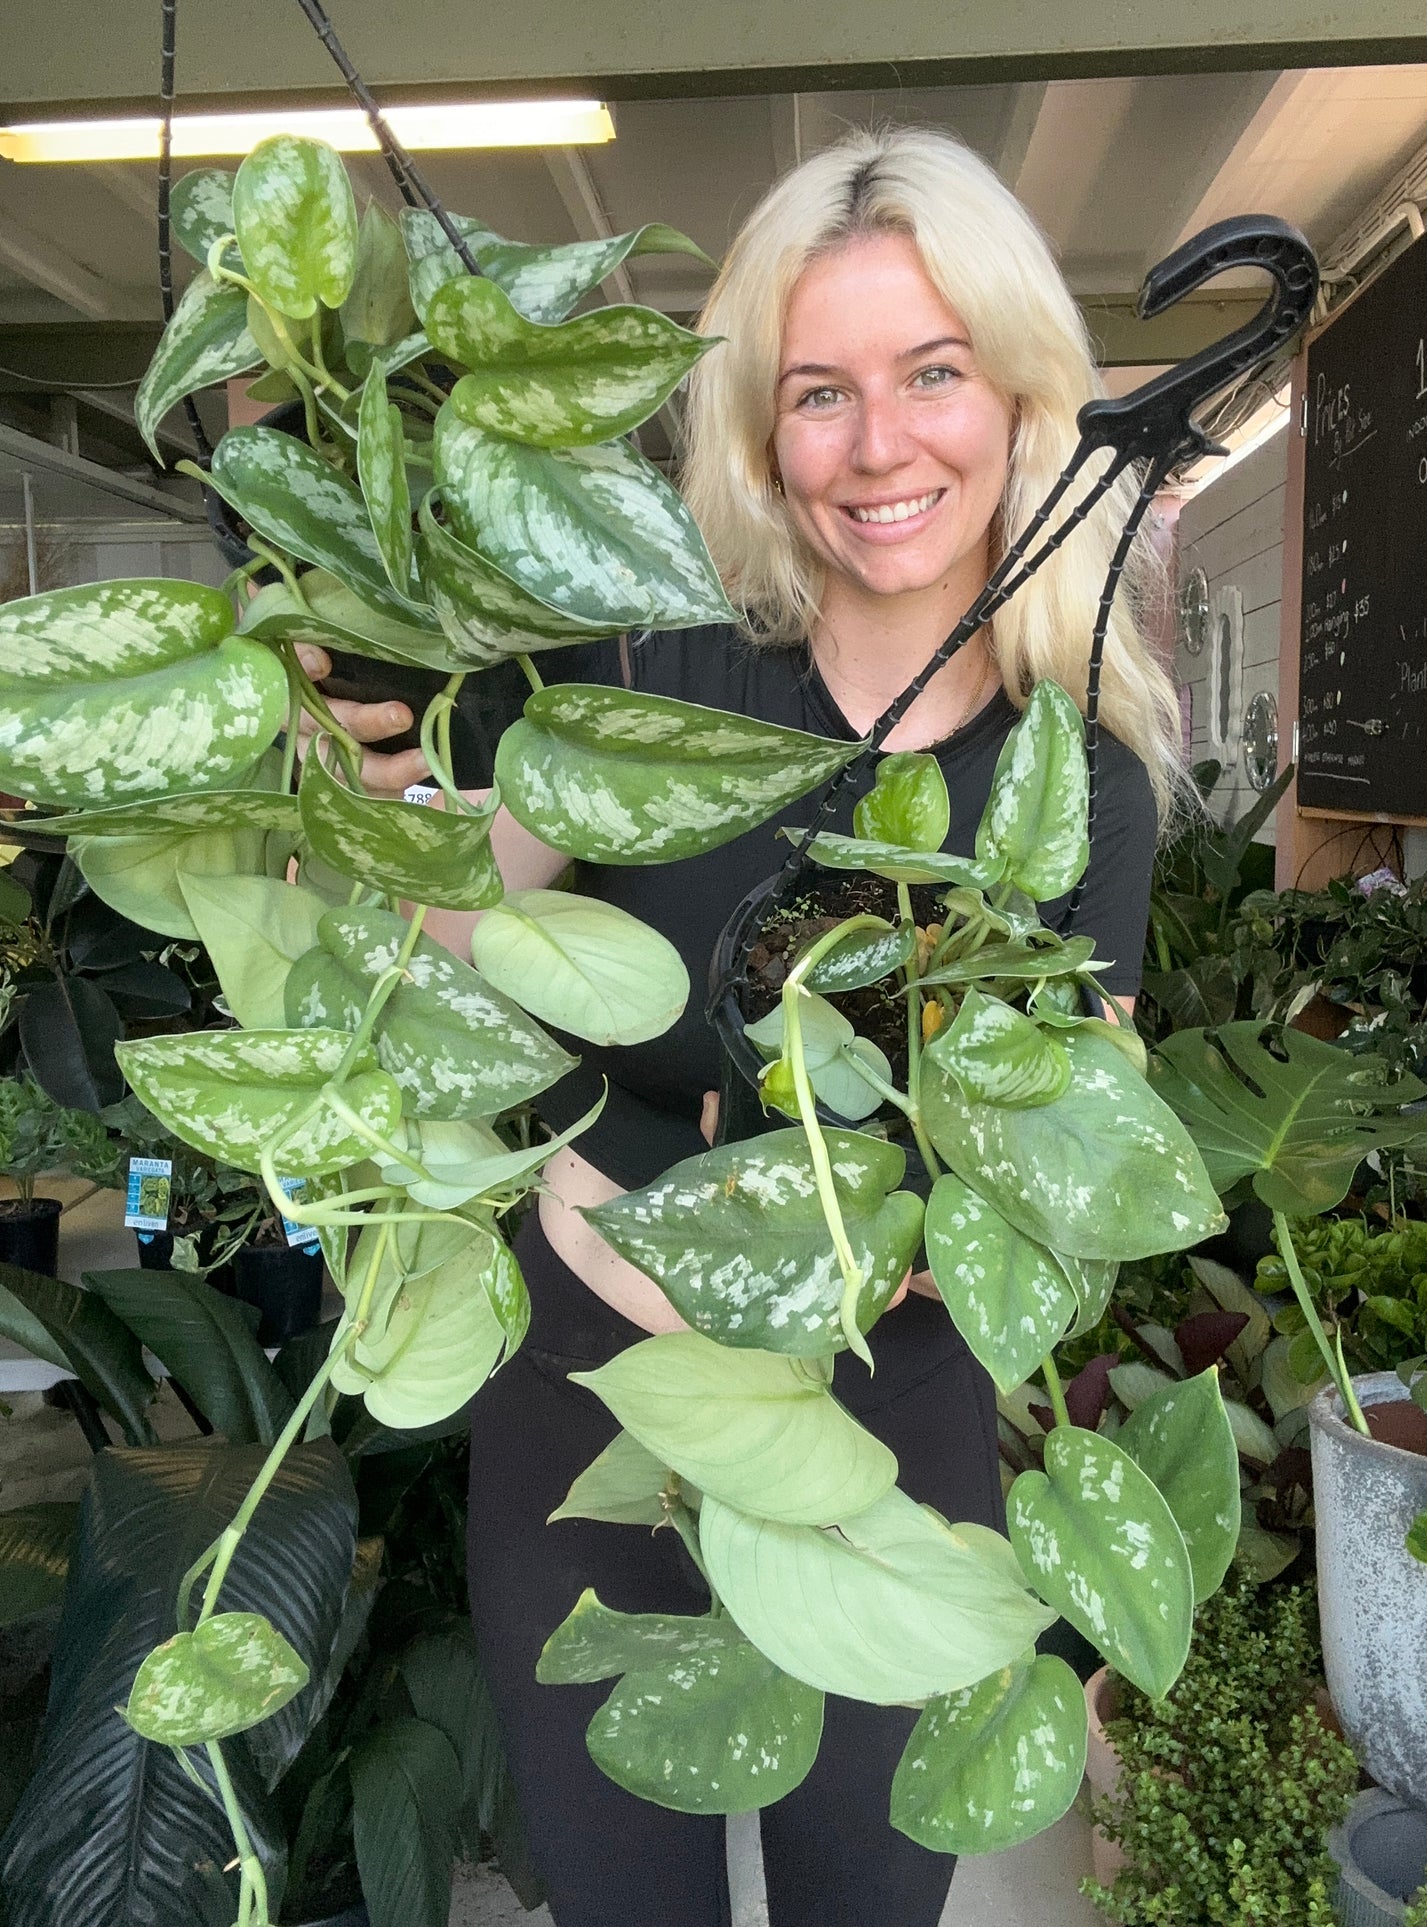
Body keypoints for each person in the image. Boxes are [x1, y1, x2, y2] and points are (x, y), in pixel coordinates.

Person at [296, 126, 1185, 1927]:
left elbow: (1042, 1190)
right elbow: (446, 899)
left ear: (1017, 393)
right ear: (760, 437)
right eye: (818, 392)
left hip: (881, 1454)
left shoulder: (1077, 781)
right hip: (582, 1440)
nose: (879, 446)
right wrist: (366, 736)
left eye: (933, 372)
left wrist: (640, 1202)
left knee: (868, 1892)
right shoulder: (649, 683)